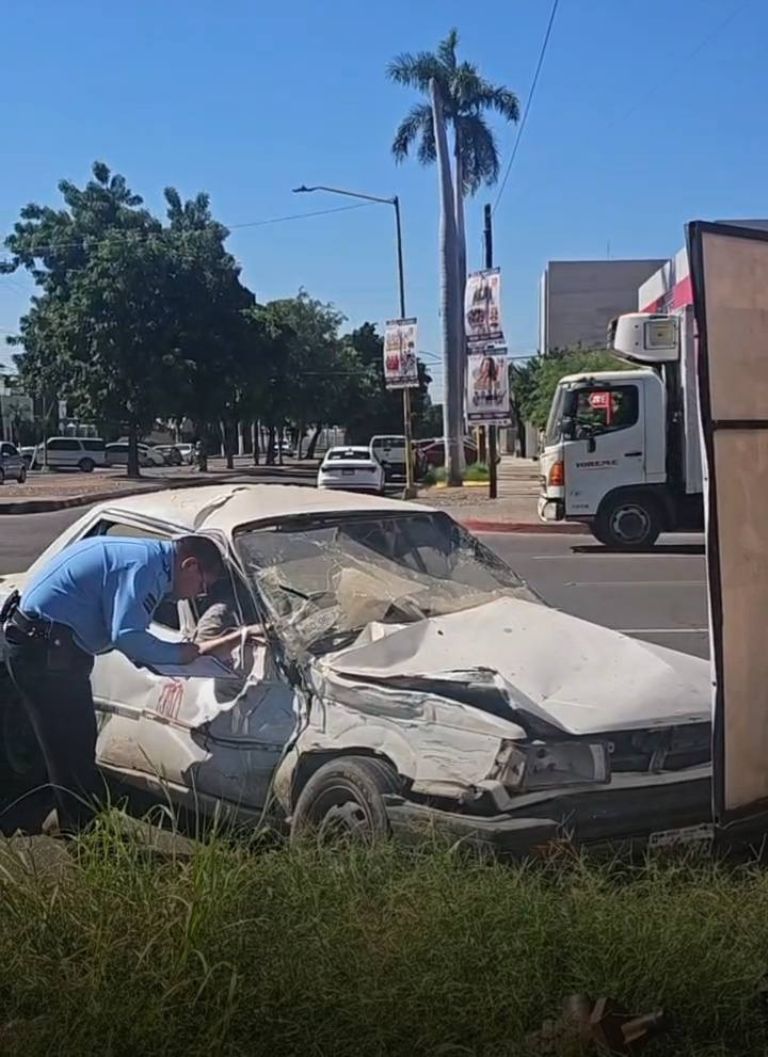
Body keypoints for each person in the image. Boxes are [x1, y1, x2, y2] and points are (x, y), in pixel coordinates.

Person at [1, 534, 231, 834]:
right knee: (73, 749)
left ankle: (54, 819)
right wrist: (184, 652)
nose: (197, 595)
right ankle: (81, 837)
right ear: (190, 565)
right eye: (202, 587)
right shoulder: (146, 567)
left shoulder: (145, 557)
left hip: (42, 645)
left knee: (61, 744)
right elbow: (128, 635)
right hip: (45, 652)